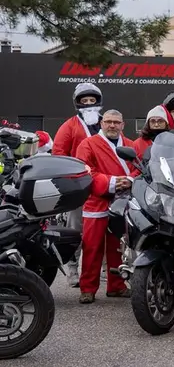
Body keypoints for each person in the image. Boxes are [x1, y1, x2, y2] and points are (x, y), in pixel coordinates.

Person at [75, 109, 136, 303]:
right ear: (101, 124)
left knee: (119, 246)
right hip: (96, 202)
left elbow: (140, 170)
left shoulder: (130, 145)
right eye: (108, 121)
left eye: (116, 122)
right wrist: (111, 182)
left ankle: (116, 286)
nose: (112, 125)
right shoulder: (88, 144)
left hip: (123, 202)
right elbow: (84, 171)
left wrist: (129, 180)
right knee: (92, 247)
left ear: (122, 125)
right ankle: (88, 288)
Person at [53, 82, 103, 287]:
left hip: (103, 186)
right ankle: (73, 269)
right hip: (78, 186)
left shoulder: (107, 123)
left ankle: (105, 269)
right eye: (85, 101)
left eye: (92, 100)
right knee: (75, 229)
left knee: (106, 230)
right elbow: (57, 155)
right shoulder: (69, 126)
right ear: (77, 104)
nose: (89, 104)